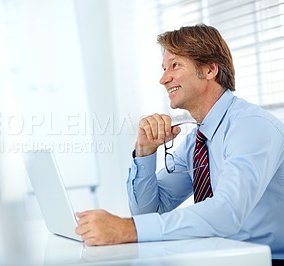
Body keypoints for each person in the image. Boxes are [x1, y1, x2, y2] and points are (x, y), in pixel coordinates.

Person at [75, 24, 284, 262]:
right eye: (164, 68)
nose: (164, 79)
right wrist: (145, 153)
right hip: (221, 257)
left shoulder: (250, 126)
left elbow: (227, 213)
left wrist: (126, 229)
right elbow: (149, 211)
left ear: (209, 69)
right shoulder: (197, 141)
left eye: (174, 65)